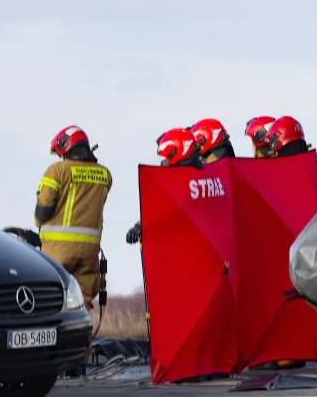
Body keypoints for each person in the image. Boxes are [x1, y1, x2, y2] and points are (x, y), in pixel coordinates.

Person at [36, 126, 112, 308]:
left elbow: (43, 211)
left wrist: (38, 226)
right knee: (81, 303)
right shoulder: (105, 174)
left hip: (57, 249)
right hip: (90, 252)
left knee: (50, 298)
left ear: (65, 146)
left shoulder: (57, 170)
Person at [126, 127, 201, 245]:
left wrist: (139, 226)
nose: (163, 163)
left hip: (184, 245)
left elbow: (161, 211)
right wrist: (139, 226)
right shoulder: (206, 177)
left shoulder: (182, 184)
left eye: (166, 159)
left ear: (176, 153)